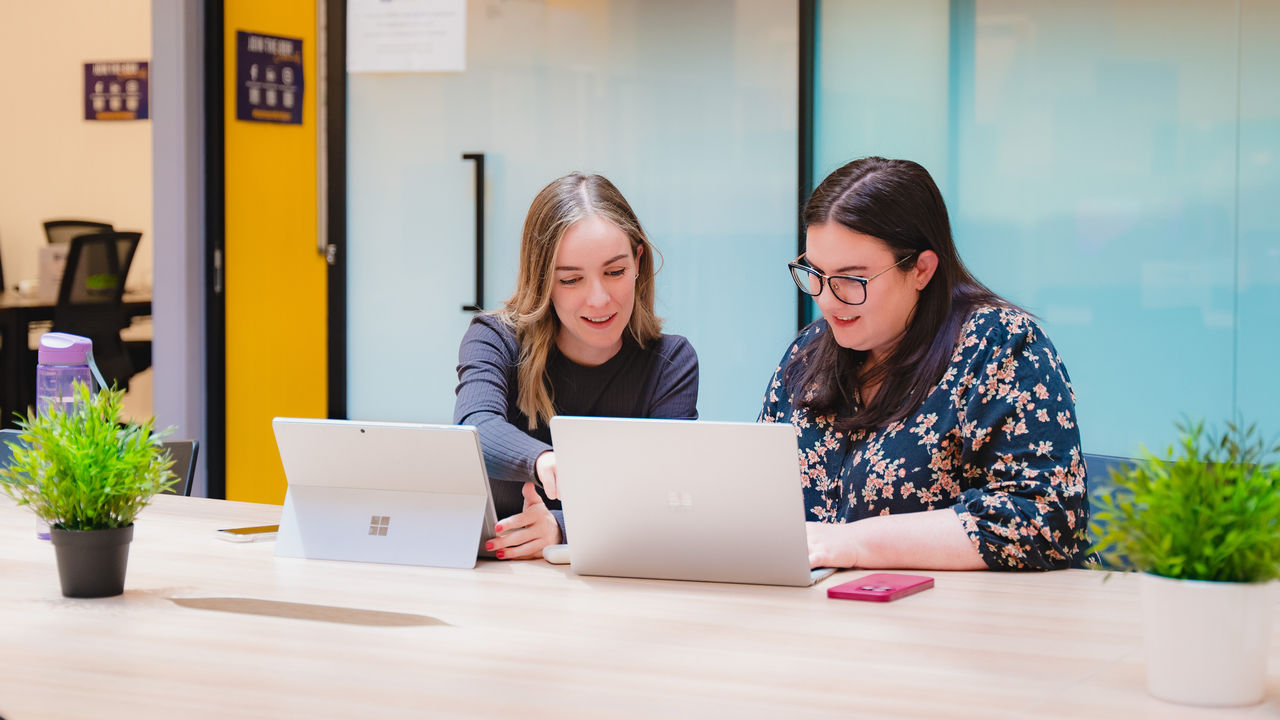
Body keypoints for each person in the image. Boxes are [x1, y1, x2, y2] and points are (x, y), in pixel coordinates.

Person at [761, 157, 1088, 571]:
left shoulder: (1000, 347)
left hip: (966, 620)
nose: (826, 299)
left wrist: (852, 543)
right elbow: (761, 493)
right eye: (815, 273)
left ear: (921, 269)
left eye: (852, 279)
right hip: (822, 615)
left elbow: (1038, 521)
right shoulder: (808, 354)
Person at [454, 173, 699, 560]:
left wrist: (560, 527)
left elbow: (665, 498)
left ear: (637, 262)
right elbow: (474, 428)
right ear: (542, 281)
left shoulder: (671, 363)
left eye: (615, 272)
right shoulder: (495, 339)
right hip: (494, 585)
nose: (598, 300)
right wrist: (545, 461)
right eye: (570, 280)